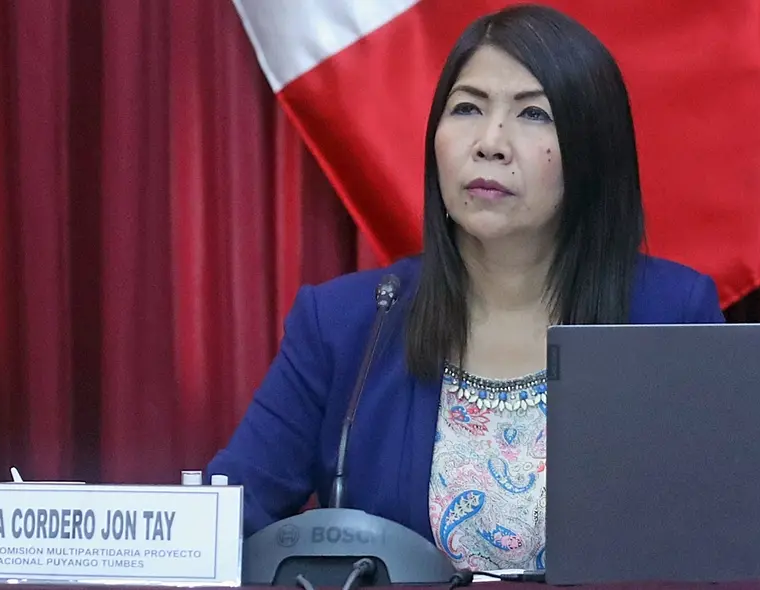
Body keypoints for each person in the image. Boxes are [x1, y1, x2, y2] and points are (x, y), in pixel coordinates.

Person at [206, 3, 725, 572]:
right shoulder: (347, 323)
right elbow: (219, 526)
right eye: (468, 108)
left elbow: (724, 542)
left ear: (592, 150)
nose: (490, 142)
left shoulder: (671, 317)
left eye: (533, 115)